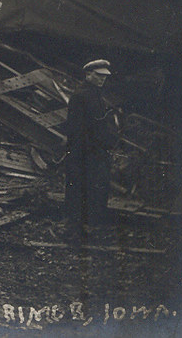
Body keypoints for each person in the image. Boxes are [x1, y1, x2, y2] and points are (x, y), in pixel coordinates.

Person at [63, 59, 119, 243]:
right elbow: (76, 128)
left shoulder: (96, 95)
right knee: (79, 190)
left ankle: (87, 229)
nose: (102, 79)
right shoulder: (81, 96)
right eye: (98, 76)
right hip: (83, 153)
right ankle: (74, 231)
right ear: (88, 74)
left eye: (104, 76)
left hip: (95, 153)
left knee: (94, 190)